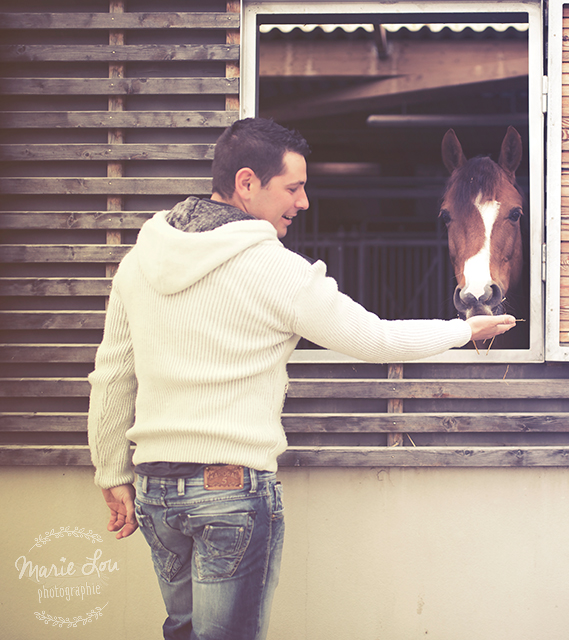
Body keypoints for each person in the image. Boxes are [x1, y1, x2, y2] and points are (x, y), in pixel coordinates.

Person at [87, 117, 515, 640]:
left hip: (155, 493)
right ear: (247, 183)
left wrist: (112, 474)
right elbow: (374, 339)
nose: (305, 201)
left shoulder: (138, 263)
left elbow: (112, 374)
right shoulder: (277, 271)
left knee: (182, 630)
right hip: (231, 492)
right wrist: (462, 331)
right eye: (293, 187)